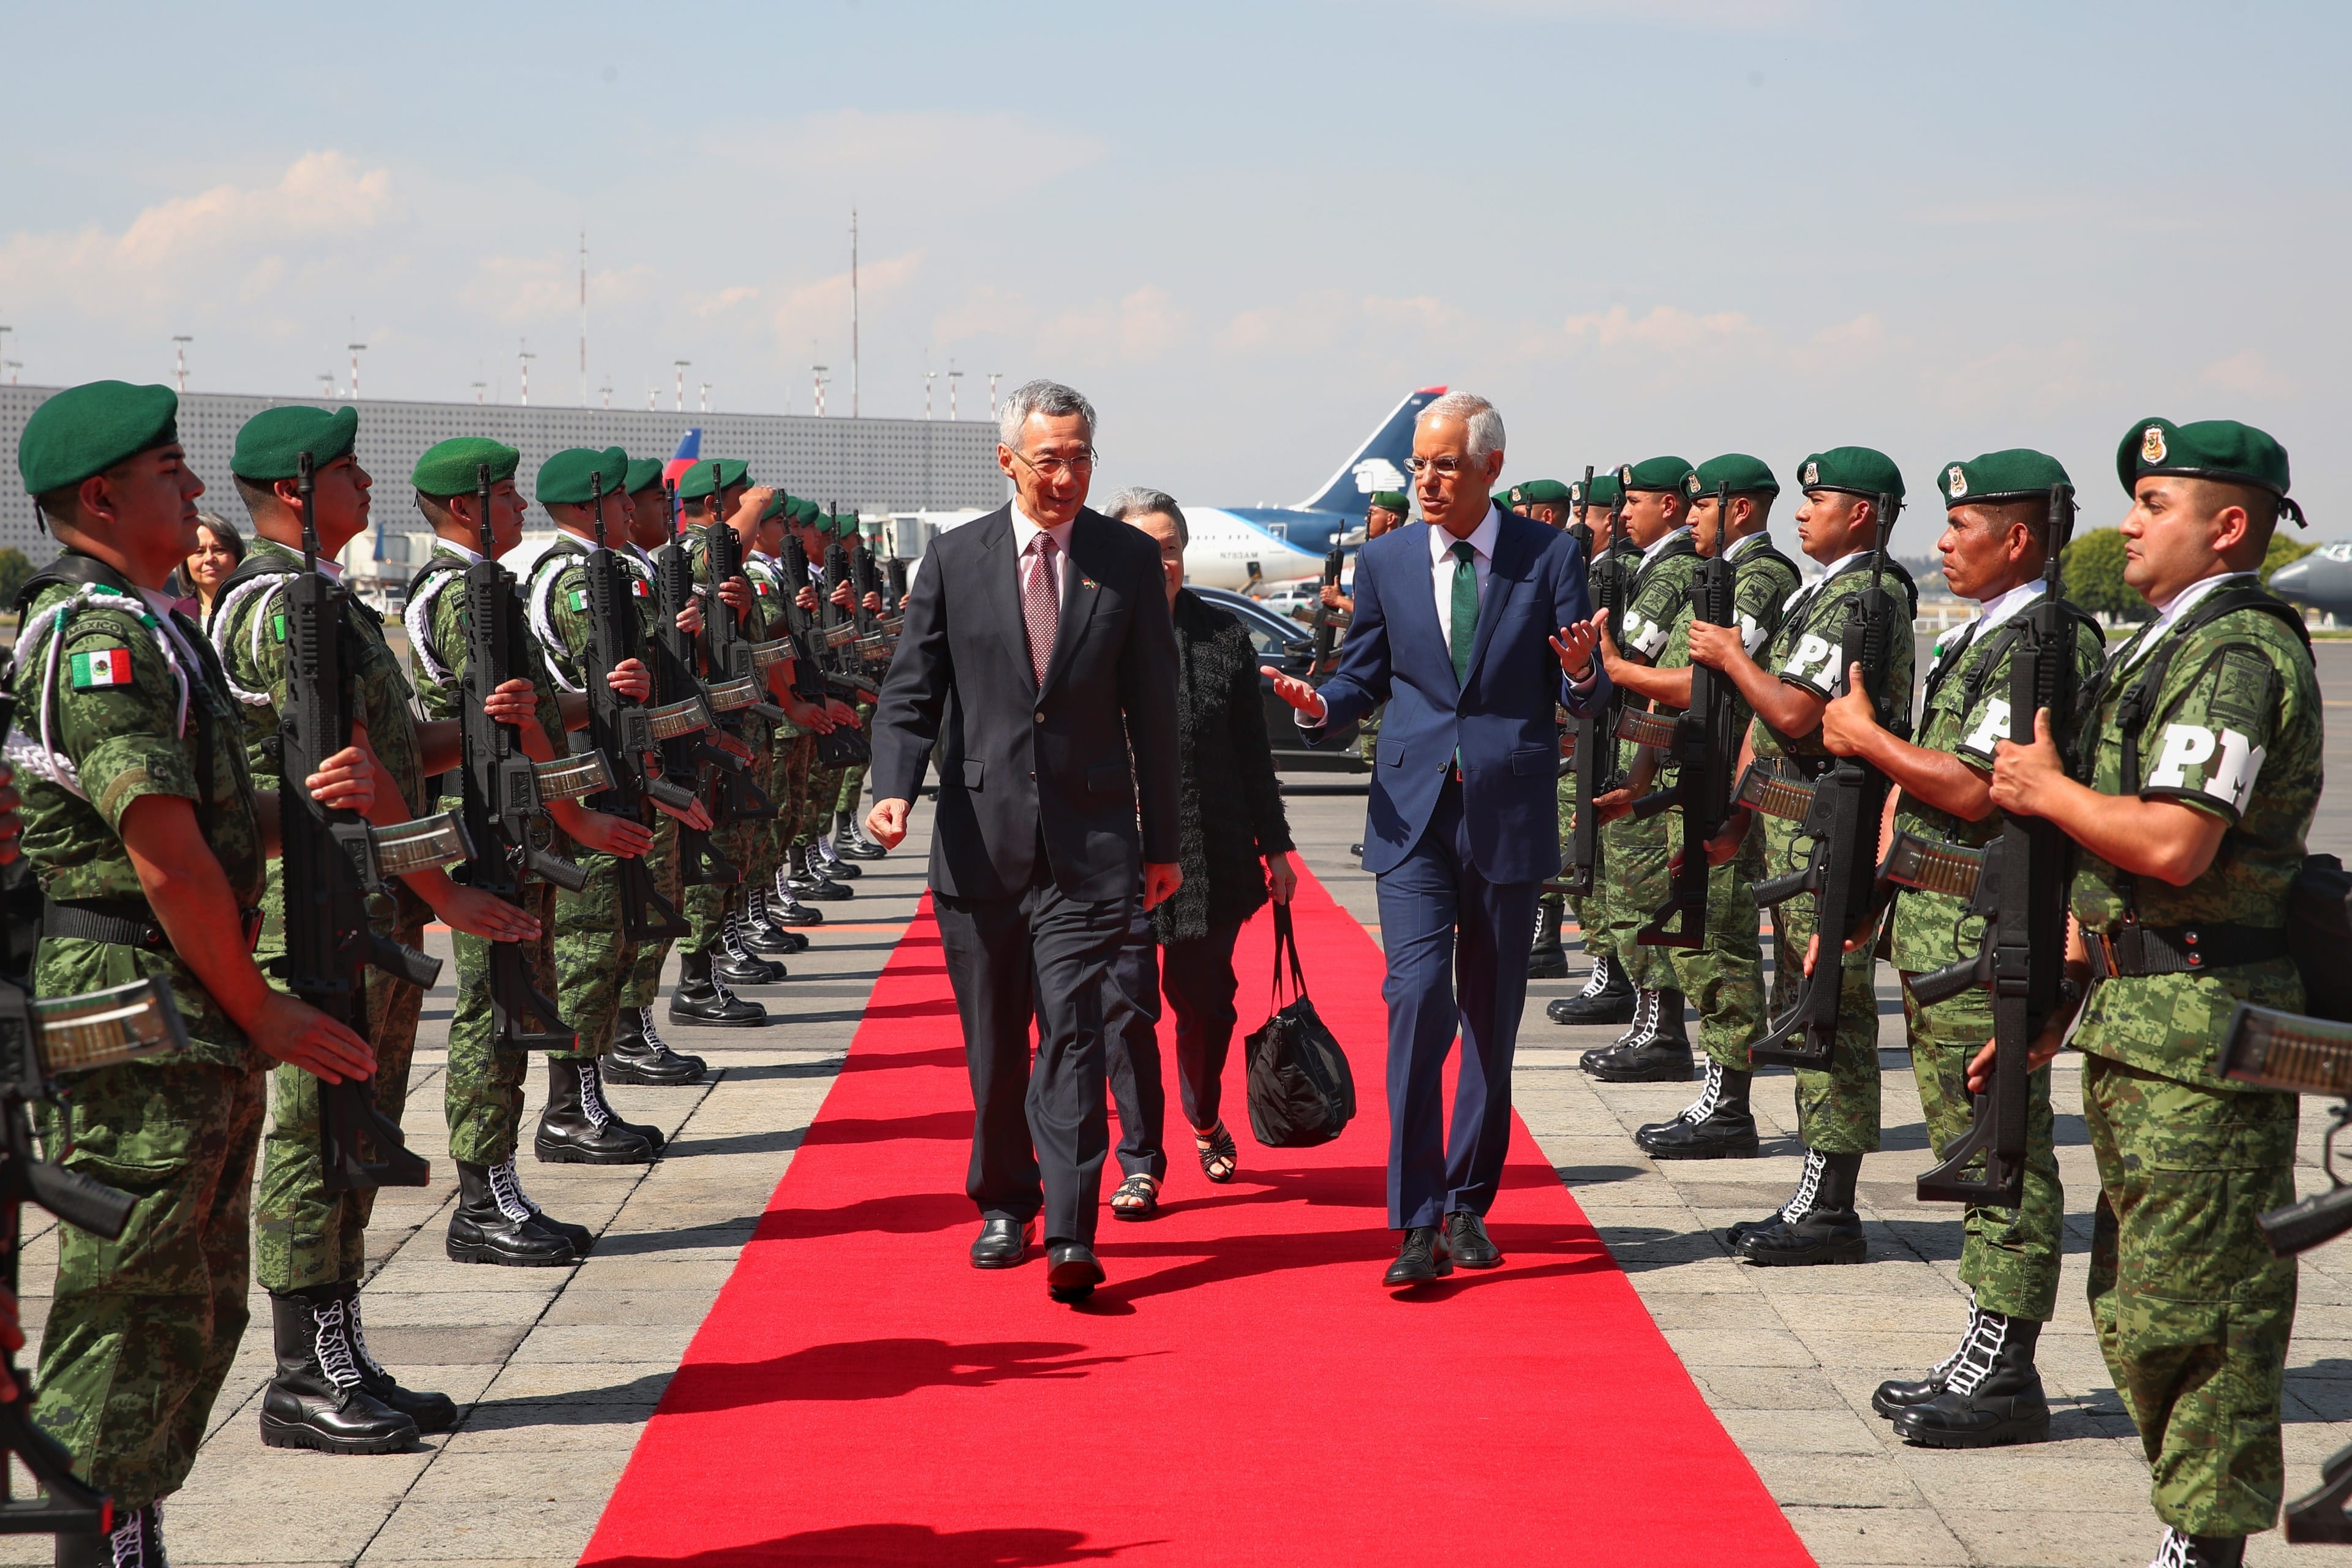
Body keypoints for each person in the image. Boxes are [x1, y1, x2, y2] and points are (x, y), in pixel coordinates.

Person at [11, 380, 380, 1566]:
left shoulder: (152, 618)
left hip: (179, 993)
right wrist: (262, 1003)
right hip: (140, 996)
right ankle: (98, 1541)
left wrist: (305, 809)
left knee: (193, 1292)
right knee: (129, 1300)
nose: (195, 486)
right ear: (103, 494)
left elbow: (206, 829)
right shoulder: (101, 636)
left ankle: (130, 1528)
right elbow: (164, 857)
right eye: (169, 468)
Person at [1986, 418, 2317, 1568]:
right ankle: (2189, 1526)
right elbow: (2116, 874)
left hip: (2206, 1037)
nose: (2128, 523)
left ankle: (2204, 1544)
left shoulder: (2235, 654)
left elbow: (2175, 845)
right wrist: (2061, 993)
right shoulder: (2166, 644)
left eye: (2156, 504)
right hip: (2144, 1025)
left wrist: (2043, 788)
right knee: (2138, 1310)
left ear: (2228, 526)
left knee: (2204, 1318)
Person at [210, 404, 551, 1453]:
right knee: (315, 1139)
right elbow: (344, 771)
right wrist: (445, 890)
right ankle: (300, 1373)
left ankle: (342, 1348)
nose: (369, 487)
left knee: (358, 1135)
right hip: (315, 905)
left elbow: (388, 755)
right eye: (351, 471)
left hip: (364, 901)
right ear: (296, 489)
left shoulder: (325, 600)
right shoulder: (278, 605)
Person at [1263, 390, 1604, 1286]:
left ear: (1491, 468)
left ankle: (1467, 1205)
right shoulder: (1385, 560)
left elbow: (1584, 693)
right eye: (1420, 462)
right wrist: (1321, 705)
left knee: (1491, 1021)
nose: (1427, 479)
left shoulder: (1552, 556)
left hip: (1508, 811)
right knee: (1416, 1000)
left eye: (1445, 464)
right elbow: (1363, 673)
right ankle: (1414, 1220)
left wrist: (1579, 672)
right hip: (1412, 816)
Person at [866, 379, 1182, 1305]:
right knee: (996, 1042)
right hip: (980, 840)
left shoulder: (1124, 560)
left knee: (1075, 1034)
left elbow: (1155, 714)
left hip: (1091, 848)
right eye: (1051, 460)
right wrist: (892, 790)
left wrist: (1161, 841)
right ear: (1008, 461)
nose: (1069, 476)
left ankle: (1073, 1232)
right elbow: (911, 690)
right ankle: (1007, 1200)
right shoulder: (956, 559)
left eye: (1083, 457)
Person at [1815, 450, 2102, 1447]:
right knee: (1968, 1146)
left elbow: (1982, 787)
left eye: (1962, 527)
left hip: (1994, 938)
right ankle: (1984, 1338)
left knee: (2001, 1148)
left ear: (2016, 539)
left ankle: (2008, 1365)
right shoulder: (1989, 634)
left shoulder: (2047, 636)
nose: (1941, 542)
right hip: (1941, 929)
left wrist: (1864, 738)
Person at [404, 436, 654, 1264]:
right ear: (470, 509)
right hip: (487, 826)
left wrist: (597, 702)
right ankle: (483, 1198)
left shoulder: (491, 587)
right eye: (507, 496)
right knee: (492, 1014)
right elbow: (512, 722)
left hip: (512, 820)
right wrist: (576, 815)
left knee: (519, 1002)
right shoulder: (457, 595)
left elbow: (535, 708)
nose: (520, 510)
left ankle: (500, 1183)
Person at [1685, 448, 1916, 1265]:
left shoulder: (1865, 597)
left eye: (1822, 499)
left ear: (1864, 514)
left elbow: (1790, 710)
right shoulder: (1825, 592)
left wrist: (1728, 656)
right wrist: (1744, 816)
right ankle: (1818, 1192)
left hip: (1834, 838)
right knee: (1807, 1009)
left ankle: (1832, 1206)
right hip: (1795, 839)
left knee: (1833, 1020)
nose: (1804, 509)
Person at [1098, 487, 1298, 1217]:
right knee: (1124, 1010)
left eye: (1170, 548)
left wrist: (1275, 849)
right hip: (1114, 854)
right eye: (1143, 550)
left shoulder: (1222, 638)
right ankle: (1141, 1161)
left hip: (1209, 855)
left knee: (1206, 1006)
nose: (1161, 563)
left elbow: (1254, 753)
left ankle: (1204, 1113)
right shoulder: (1090, 634)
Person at [1619, 455, 1801, 1136]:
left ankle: (1729, 1104)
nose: (1689, 517)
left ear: (1742, 510)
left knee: (1721, 945)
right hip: (1692, 776)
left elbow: (1709, 684)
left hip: (1725, 784)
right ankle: (1718, 1089)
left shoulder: (1762, 577)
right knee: (1700, 942)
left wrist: (1614, 668)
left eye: (1700, 507)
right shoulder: (1716, 578)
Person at [1578, 456, 1702, 1079]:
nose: (1624, 514)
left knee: (1643, 895)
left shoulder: (1675, 571)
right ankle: (1647, 1022)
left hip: (1645, 753)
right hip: (1631, 747)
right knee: (1625, 892)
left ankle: (1661, 1031)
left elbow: (1628, 657)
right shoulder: (1655, 566)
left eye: (1636, 503)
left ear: (1669, 508)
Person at [1545, 470, 1636, 1008]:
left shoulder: (1613, 573)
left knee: (1595, 858)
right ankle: (1605, 966)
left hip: (1607, 736)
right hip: (1583, 732)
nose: (1575, 523)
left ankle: (1612, 973)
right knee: (1576, 853)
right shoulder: (1587, 569)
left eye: (1586, 514)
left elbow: (1622, 660)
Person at [174, 510, 244, 617]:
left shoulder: (260, 607)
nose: (209, 558)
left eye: (219, 550)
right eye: (199, 552)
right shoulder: (172, 615)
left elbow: (280, 632)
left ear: (237, 556)